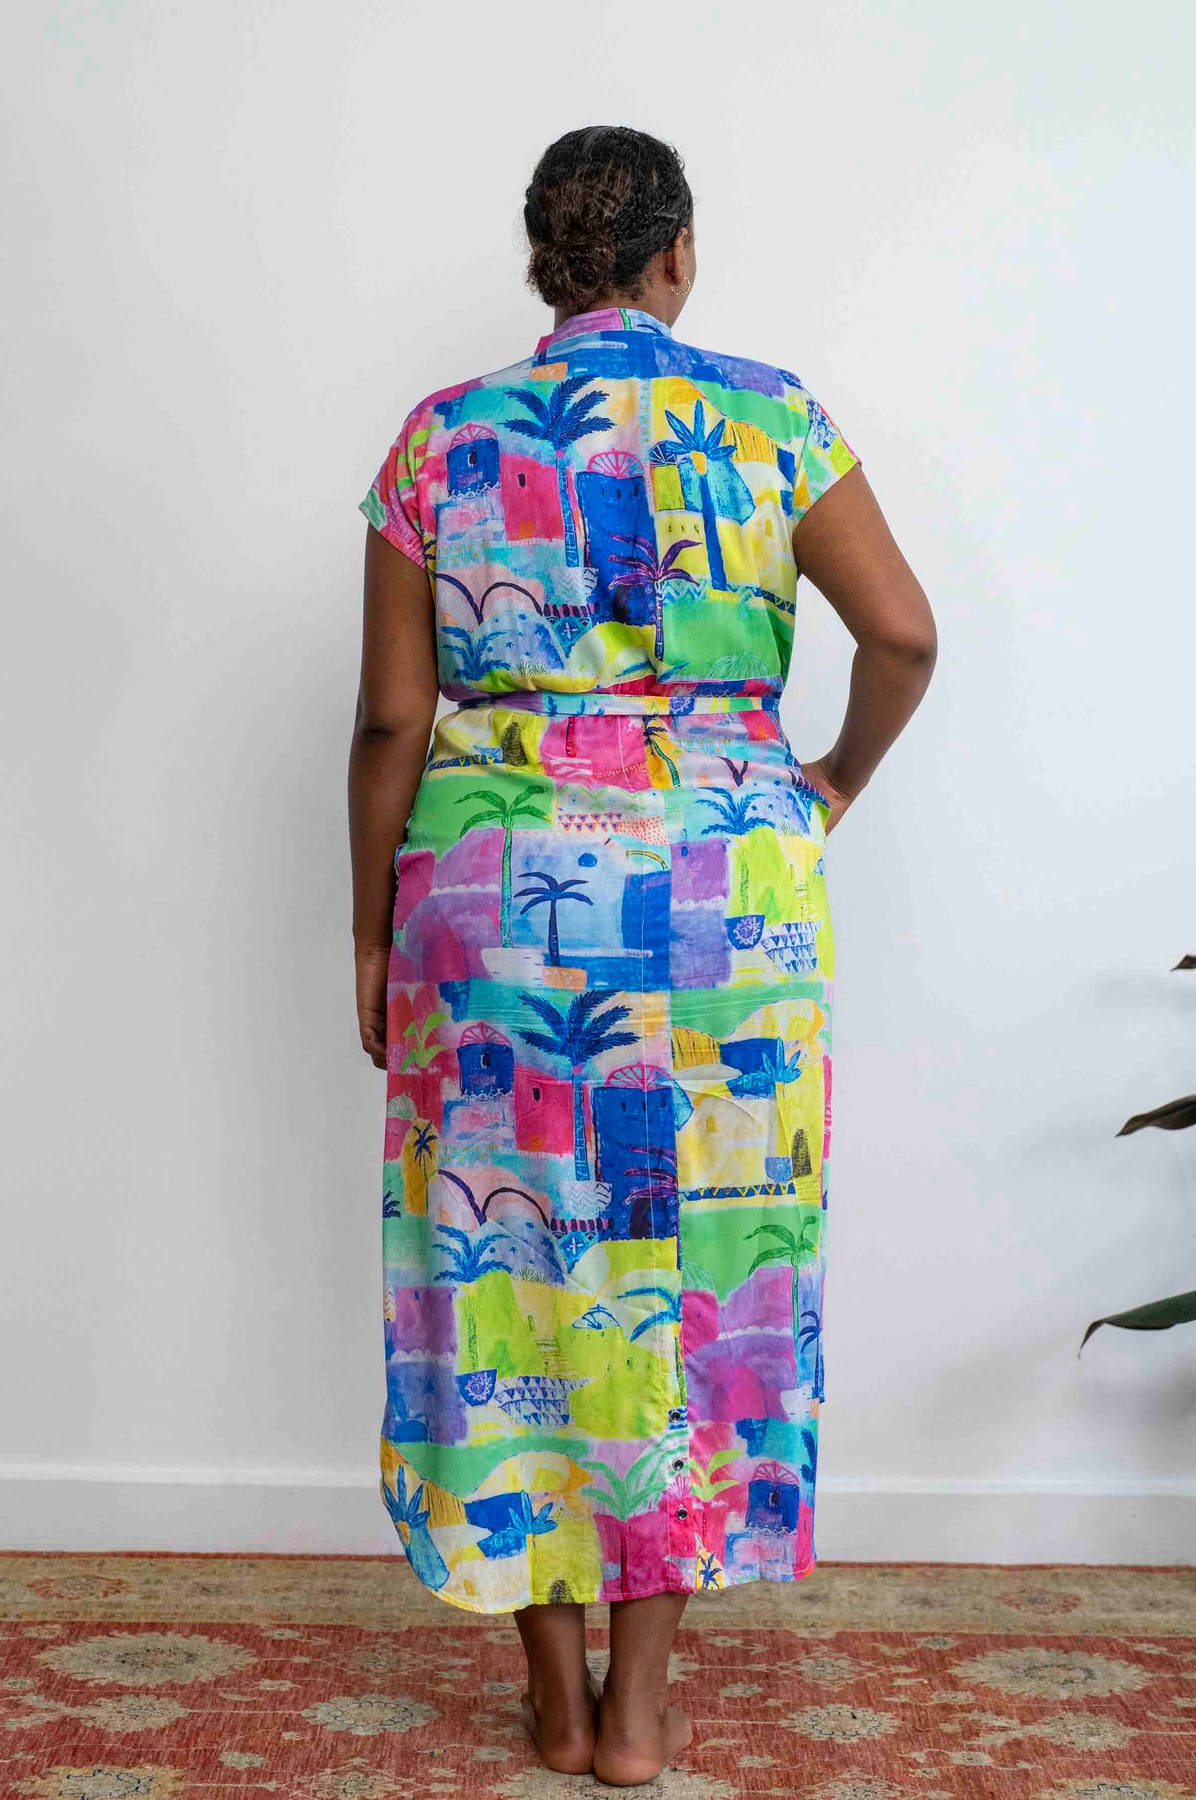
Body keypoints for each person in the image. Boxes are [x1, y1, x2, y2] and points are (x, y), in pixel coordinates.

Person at [348, 124, 936, 1786]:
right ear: (677, 255)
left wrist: (373, 928)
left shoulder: (442, 437)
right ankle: (640, 1708)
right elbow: (902, 633)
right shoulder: (774, 418)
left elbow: (393, 717)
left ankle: (549, 1692)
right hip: (723, 898)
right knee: (703, 1261)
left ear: (547, 260)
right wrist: (827, 781)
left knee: (512, 1271)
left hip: (492, 897)